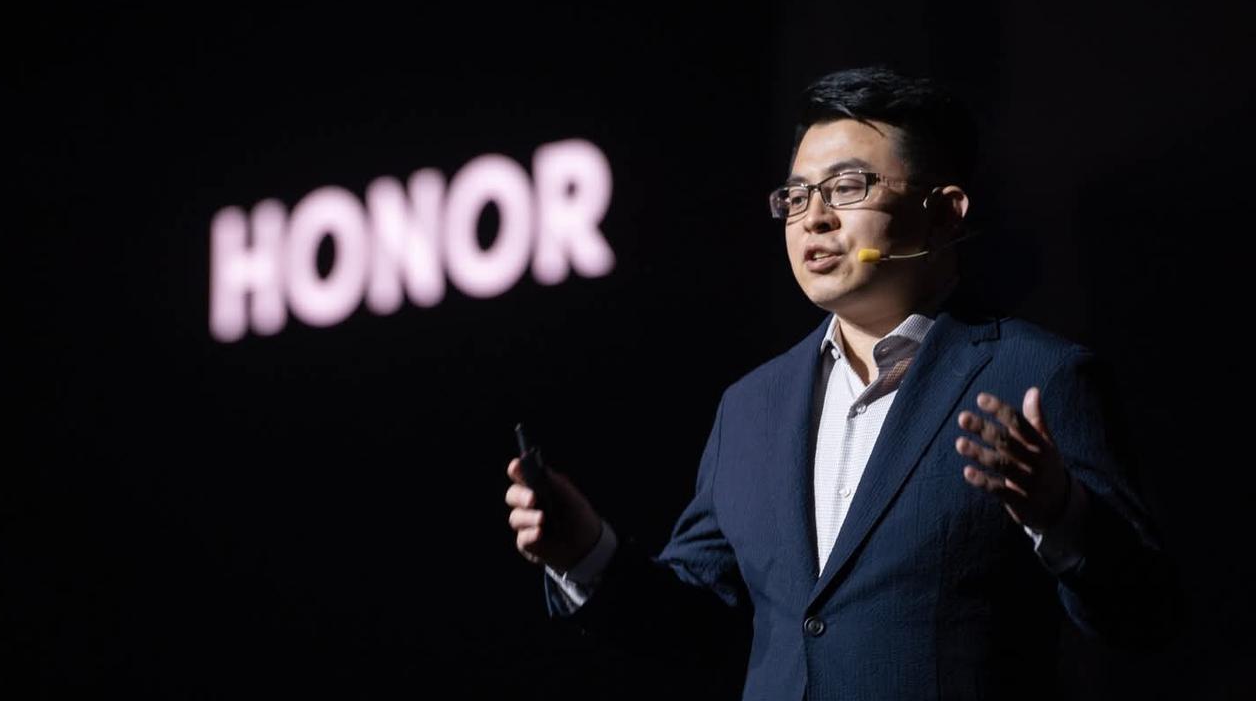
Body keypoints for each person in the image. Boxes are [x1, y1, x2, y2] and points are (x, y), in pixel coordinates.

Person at [504, 66, 1181, 700]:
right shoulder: (751, 407)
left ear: (945, 212)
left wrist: (1060, 514)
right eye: (797, 196)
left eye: (848, 187)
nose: (814, 218)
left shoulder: (1040, 375)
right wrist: (587, 552)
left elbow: (1147, 616)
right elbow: (697, 627)